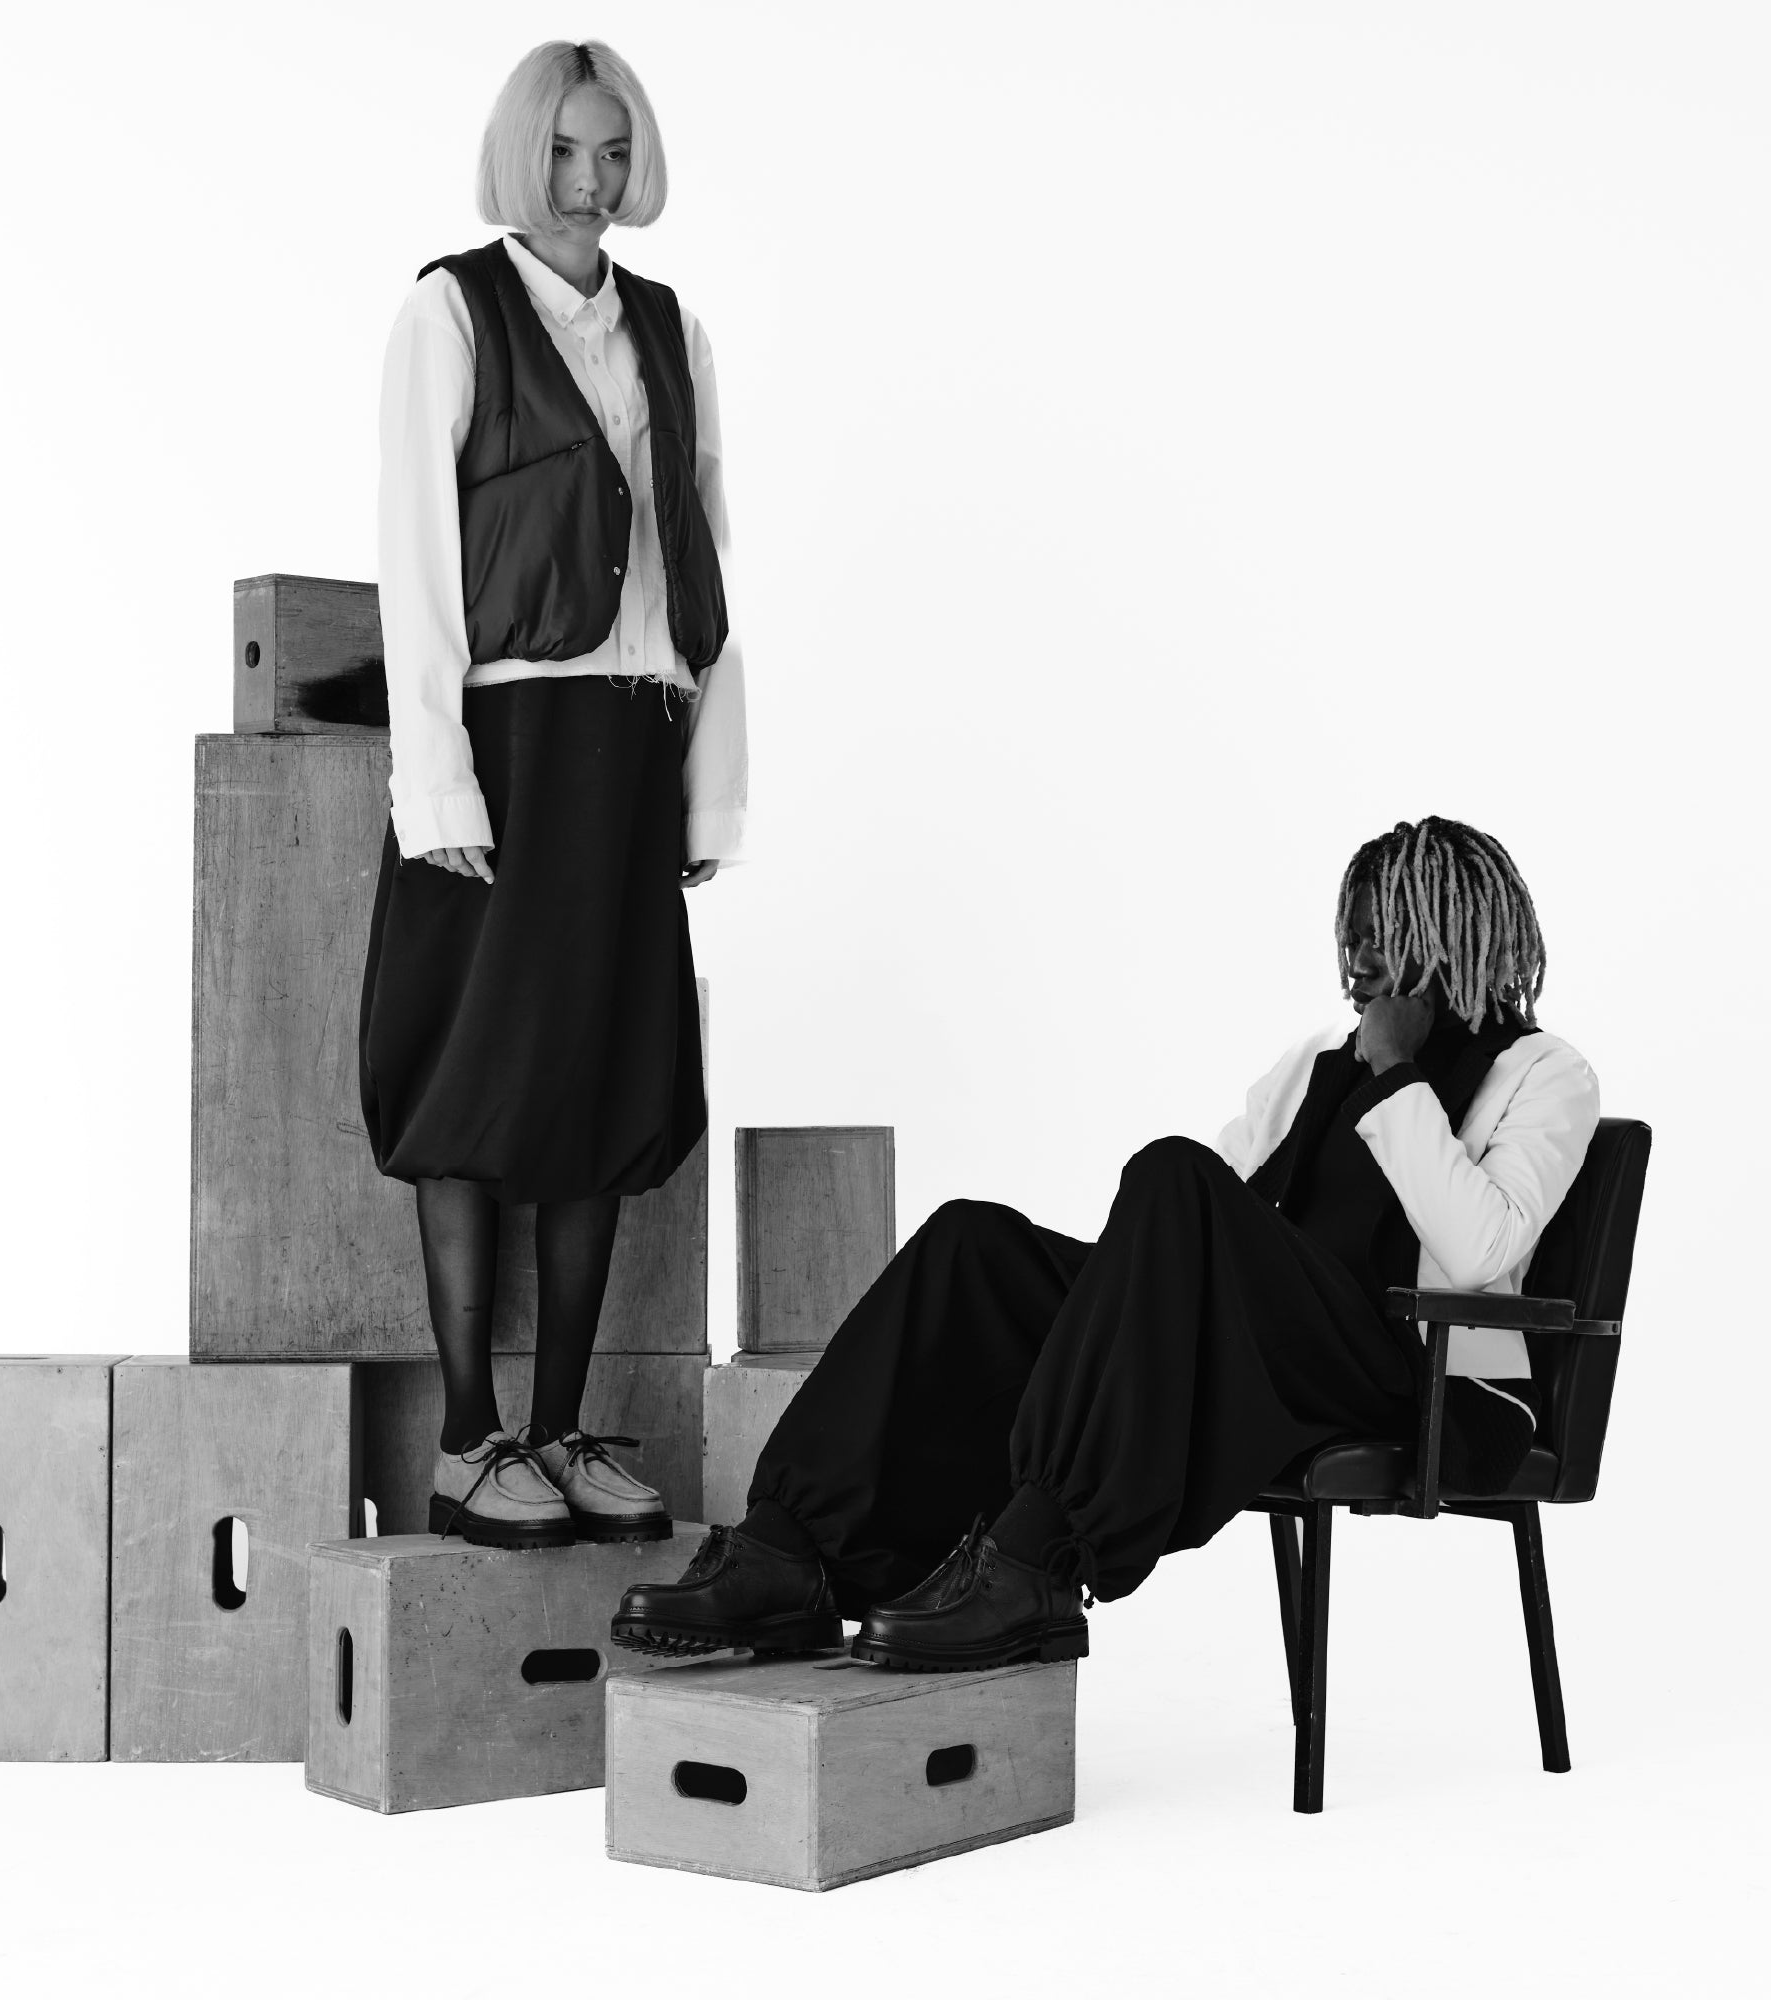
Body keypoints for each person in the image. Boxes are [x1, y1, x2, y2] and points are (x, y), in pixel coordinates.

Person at [613, 817, 1599, 1668]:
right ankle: (788, 1553)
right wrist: (1092, 1309)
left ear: (1447, 938)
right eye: (1356, 938)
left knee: (1171, 1170)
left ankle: (1032, 1563)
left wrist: (1395, 1079)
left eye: (1383, 940)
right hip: (1271, 1355)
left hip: (1414, 1378)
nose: (1358, 967)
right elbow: (1199, 1226)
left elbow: (1478, 1250)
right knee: (973, 1247)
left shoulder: (1542, 1074)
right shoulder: (1316, 1061)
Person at [359, 41, 747, 1550]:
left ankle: (565, 1430)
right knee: (473, 1079)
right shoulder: (450, 313)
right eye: (567, 151)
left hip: (630, 743)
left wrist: (705, 788)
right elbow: (415, 558)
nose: (590, 181)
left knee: (603, 1086)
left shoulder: (671, 329)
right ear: (525, 154)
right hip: (507, 741)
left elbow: (702, 563)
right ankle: (470, 1439)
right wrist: (436, 786)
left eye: (613, 151)